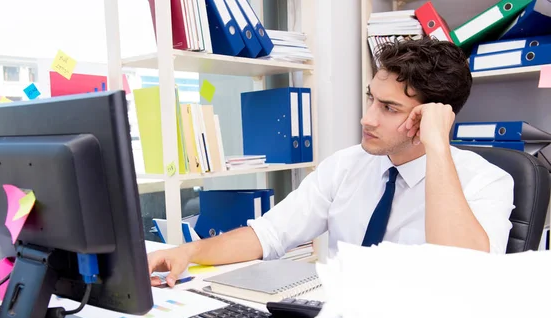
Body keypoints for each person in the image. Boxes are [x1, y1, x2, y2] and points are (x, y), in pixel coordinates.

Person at [148, 37, 514, 287]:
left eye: (389, 108)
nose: (367, 118)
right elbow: (269, 234)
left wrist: (437, 146)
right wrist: (188, 251)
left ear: (432, 116)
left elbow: (467, 271)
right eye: (372, 99)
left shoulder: (486, 182)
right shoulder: (346, 165)